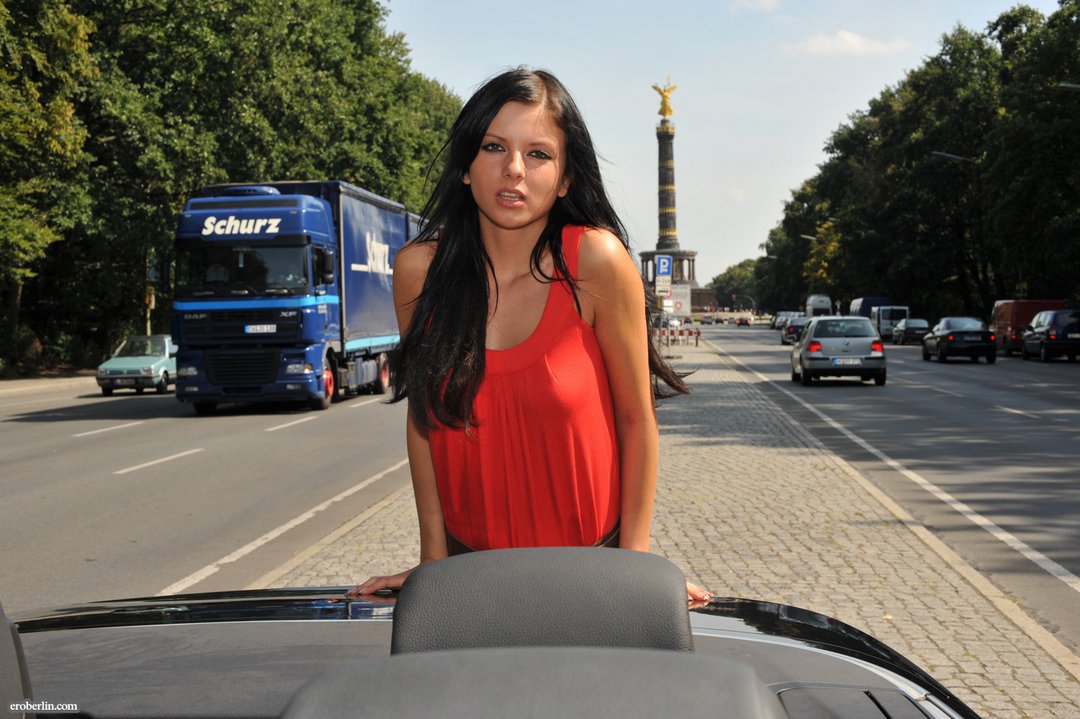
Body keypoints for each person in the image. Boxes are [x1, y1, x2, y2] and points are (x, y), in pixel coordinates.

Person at [349, 68, 708, 603]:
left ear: (564, 179)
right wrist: (432, 564)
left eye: (538, 153)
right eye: (494, 147)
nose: (514, 169)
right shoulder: (419, 272)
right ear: (466, 166)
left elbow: (636, 419)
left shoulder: (596, 263)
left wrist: (635, 568)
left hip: (591, 576)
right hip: (469, 579)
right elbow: (425, 420)